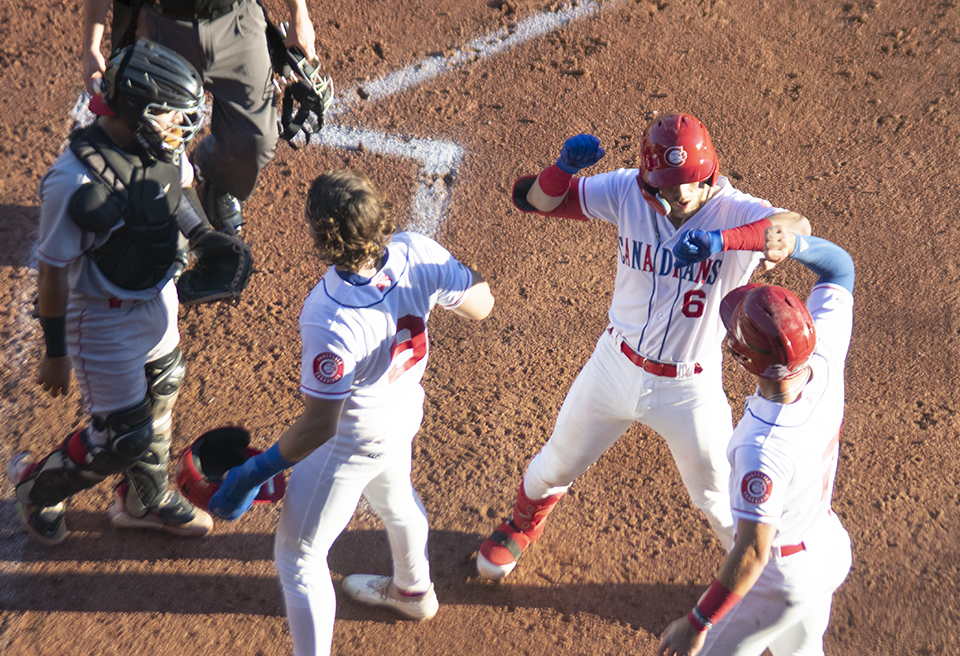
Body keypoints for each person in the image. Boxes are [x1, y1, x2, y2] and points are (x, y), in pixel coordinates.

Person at [477, 113, 812, 580]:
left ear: (710, 172)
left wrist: (724, 241)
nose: (681, 193)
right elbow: (536, 200)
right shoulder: (626, 191)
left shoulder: (738, 210)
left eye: (692, 181)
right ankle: (520, 525)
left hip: (689, 388)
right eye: (670, 185)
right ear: (648, 180)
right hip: (613, 366)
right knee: (555, 462)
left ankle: (762, 589)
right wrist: (563, 170)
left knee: (717, 498)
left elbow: (798, 225)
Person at [205, 169, 495, 655]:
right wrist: (444, 276)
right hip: (403, 412)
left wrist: (253, 471)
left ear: (324, 236)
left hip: (351, 439)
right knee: (395, 496)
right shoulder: (417, 252)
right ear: (378, 215)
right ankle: (412, 589)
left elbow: (321, 423)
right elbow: (482, 305)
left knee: (298, 559)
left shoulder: (329, 314)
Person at [7, 40, 219, 545]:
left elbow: (180, 189)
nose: (183, 126)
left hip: (155, 297)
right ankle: (37, 487)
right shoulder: (71, 181)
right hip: (99, 317)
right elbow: (53, 270)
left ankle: (143, 501)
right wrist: (55, 352)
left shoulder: (159, 144)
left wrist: (205, 236)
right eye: (172, 114)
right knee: (121, 438)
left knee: (164, 391)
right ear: (137, 112)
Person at [657, 226, 855, 656]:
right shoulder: (824, 359)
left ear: (741, 358)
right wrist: (796, 245)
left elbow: (751, 551)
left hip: (781, 579)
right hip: (829, 545)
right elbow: (840, 270)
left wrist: (697, 622)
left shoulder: (760, 448)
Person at [81, 0, 319, 236]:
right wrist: (90, 46)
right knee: (148, 134)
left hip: (239, 23)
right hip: (164, 30)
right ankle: (152, 211)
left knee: (257, 140)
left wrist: (300, 15)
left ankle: (215, 177)